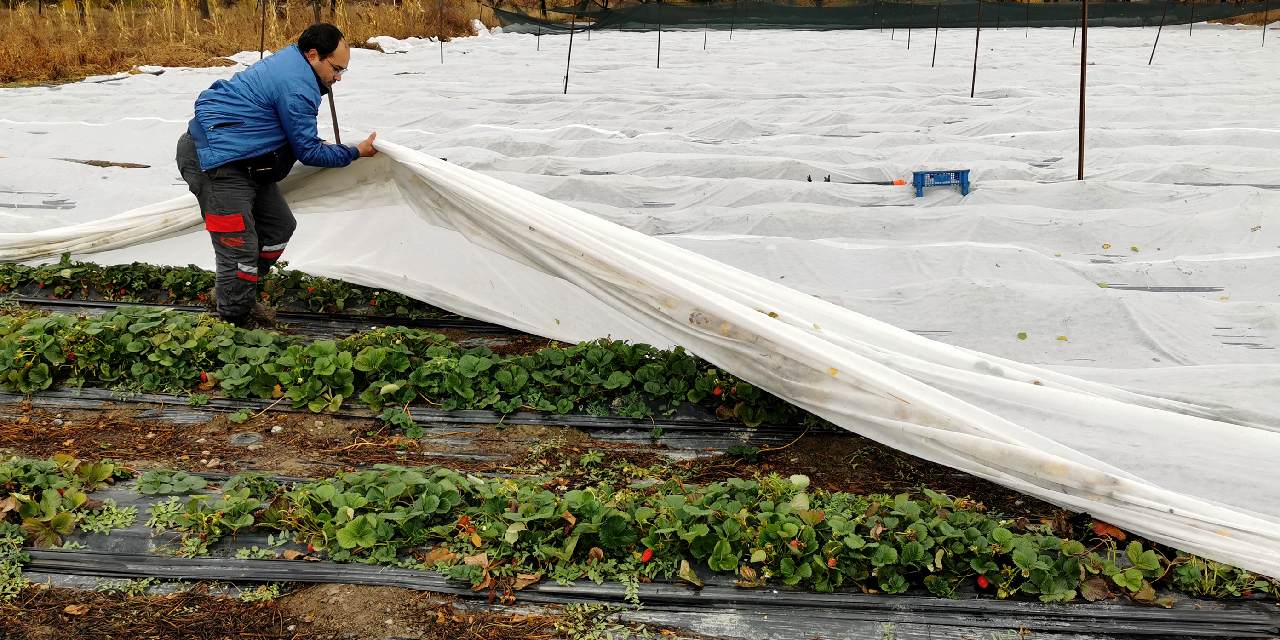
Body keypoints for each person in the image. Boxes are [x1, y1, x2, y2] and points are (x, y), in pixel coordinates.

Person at [175, 22, 377, 327]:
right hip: (216, 164)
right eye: (337, 69)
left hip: (249, 162)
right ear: (313, 55)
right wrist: (354, 152)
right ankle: (233, 325)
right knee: (239, 250)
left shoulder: (296, 65)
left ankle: (238, 294)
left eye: (342, 71)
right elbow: (309, 152)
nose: (338, 78)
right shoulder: (297, 87)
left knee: (278, 228)